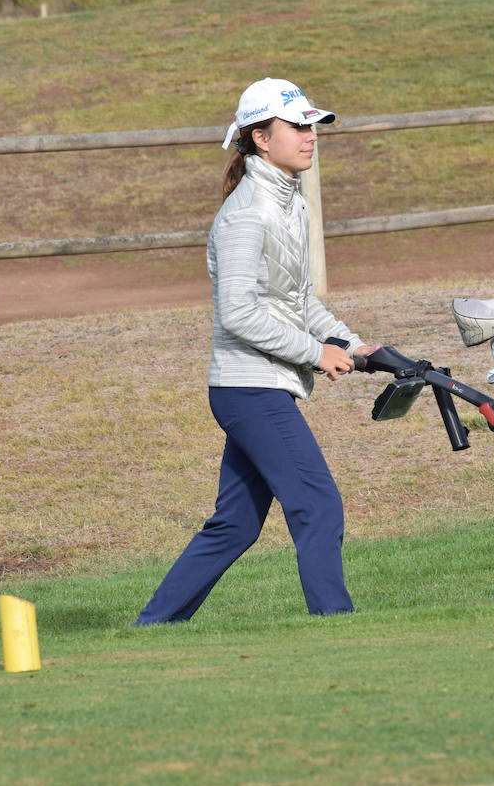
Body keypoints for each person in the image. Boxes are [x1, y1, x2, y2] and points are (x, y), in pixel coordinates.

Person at [135, 78, 377, 624]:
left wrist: (355, 344)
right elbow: (239, 314)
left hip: (261, 386)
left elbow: (297, 300)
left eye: (312, 125)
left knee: (237, 524)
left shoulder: (291, 204)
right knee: (316, 504)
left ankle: (153, 626)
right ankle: (336, 623)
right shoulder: (247, 214)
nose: (310, 136)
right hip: (249, 388)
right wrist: (317, 354)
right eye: (298, 126)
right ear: (261, 138)